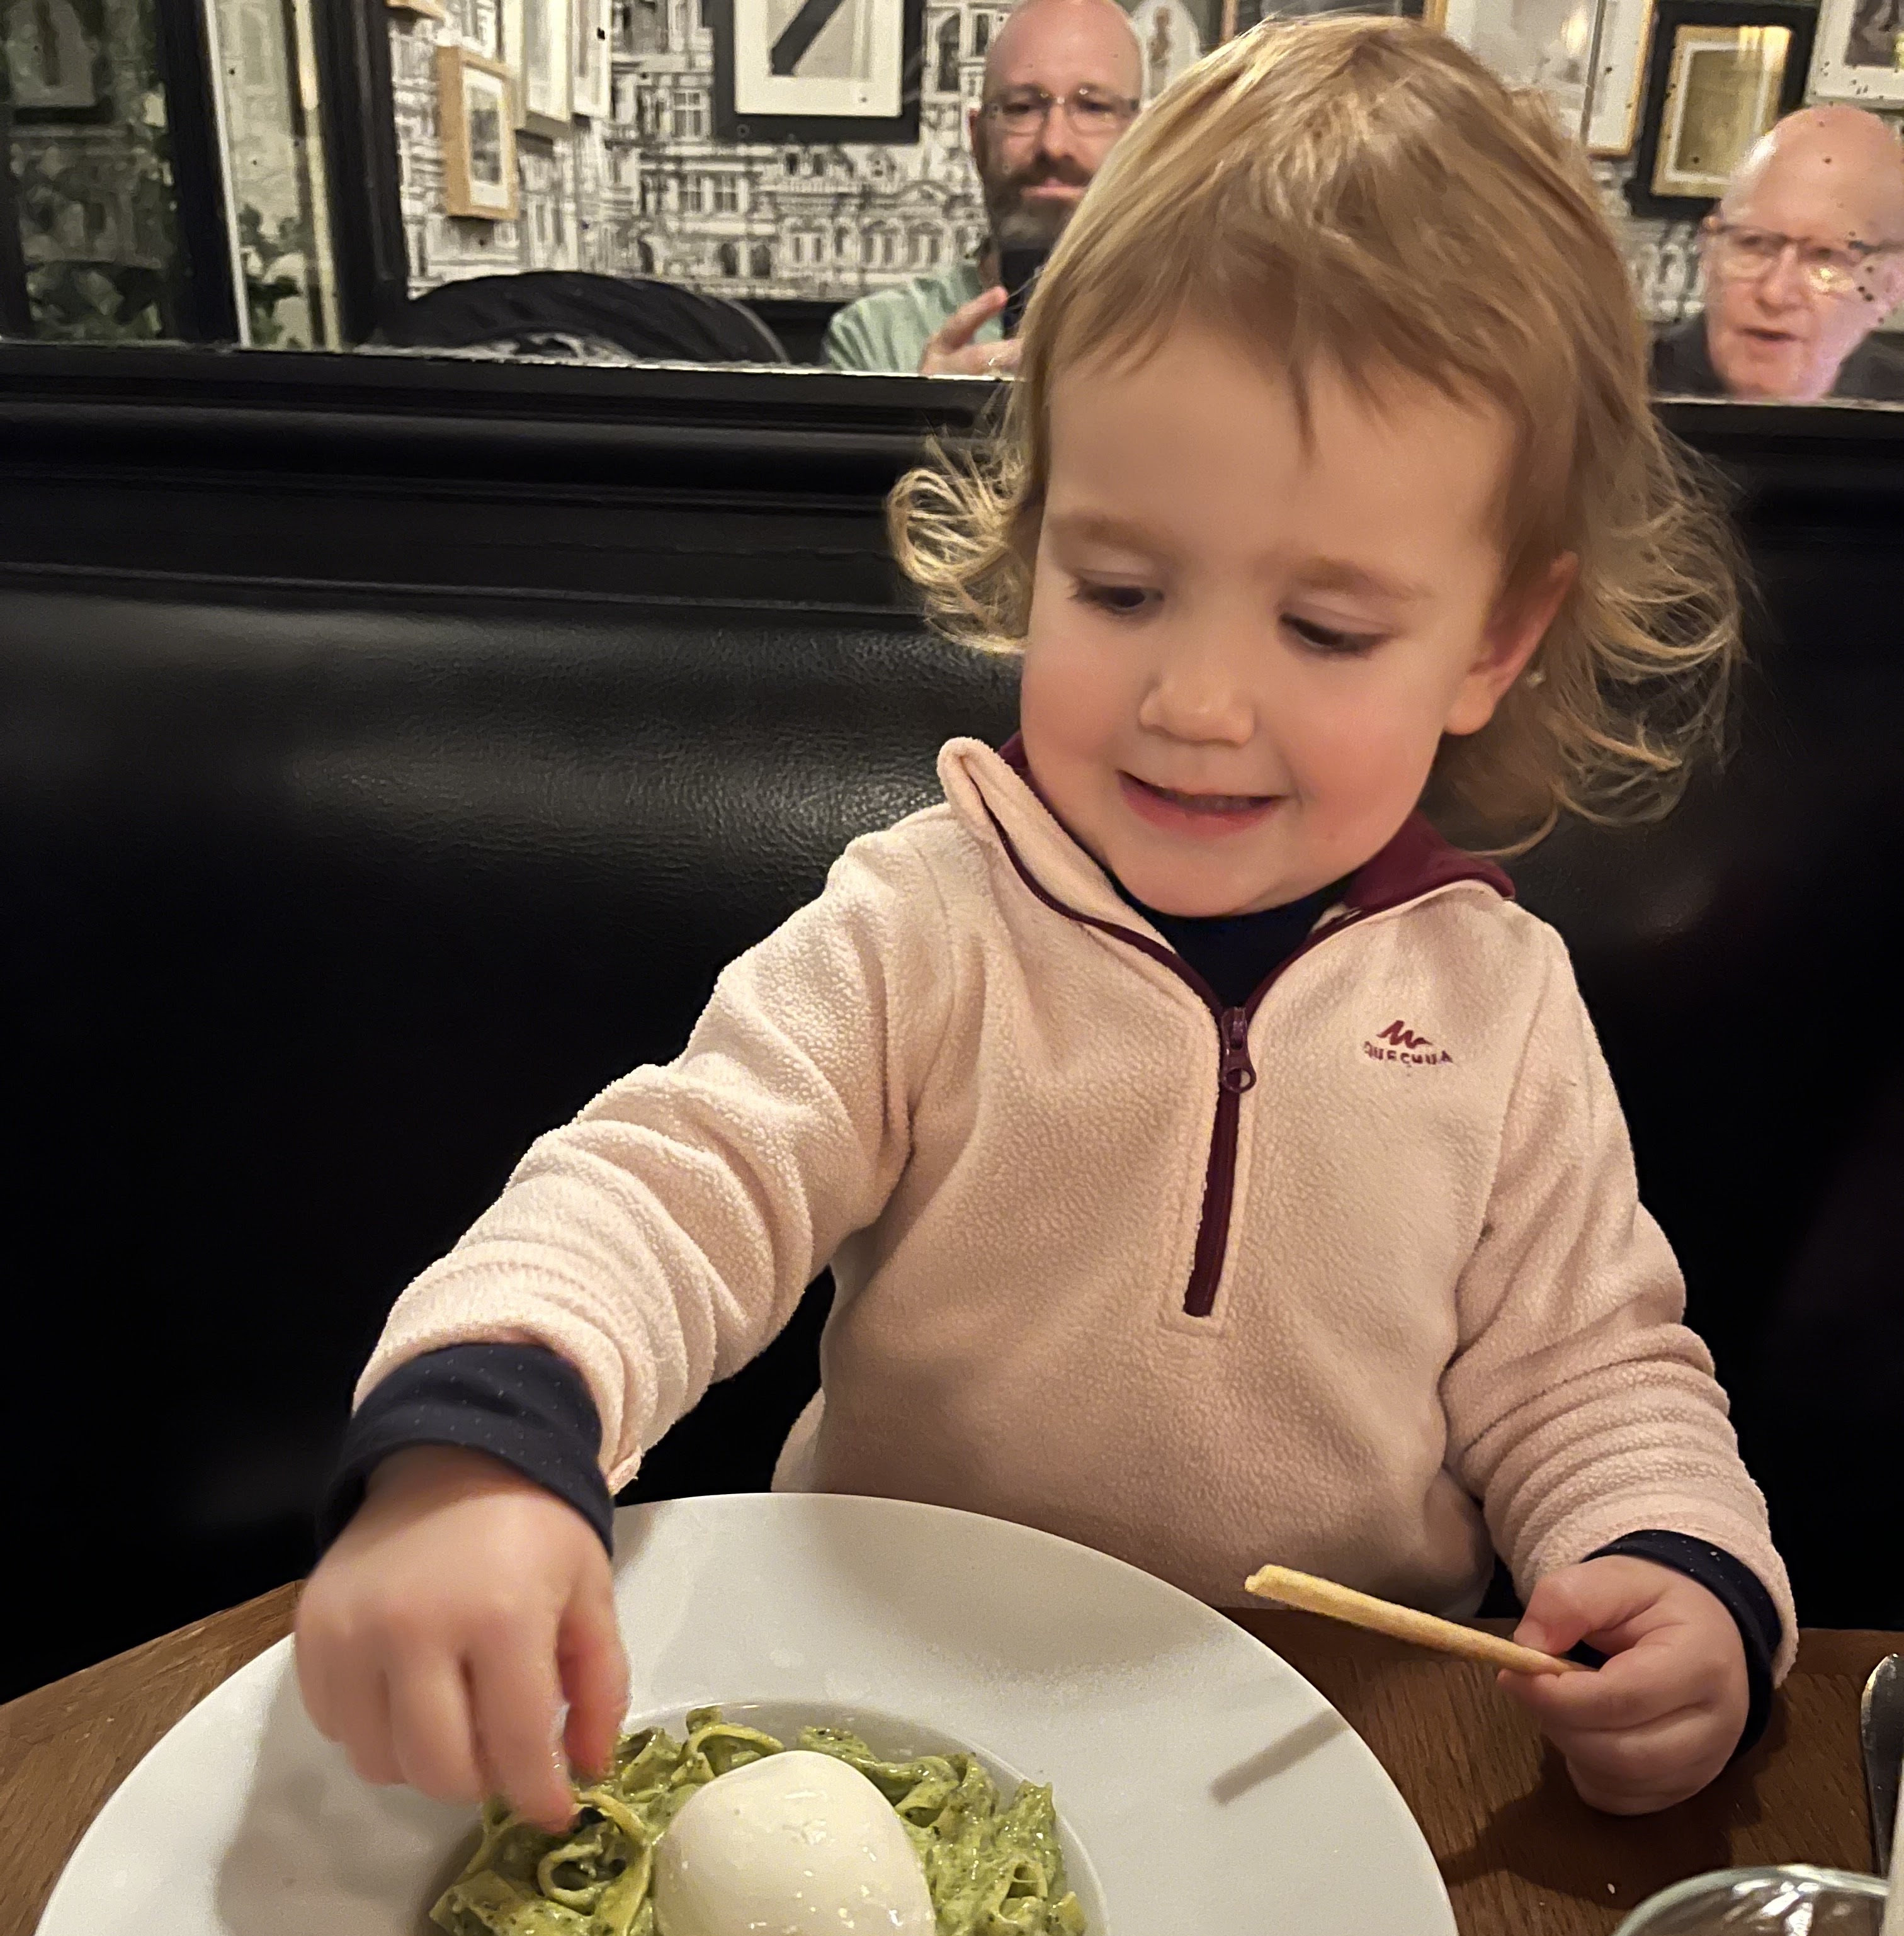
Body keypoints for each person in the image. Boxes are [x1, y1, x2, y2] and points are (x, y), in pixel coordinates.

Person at [298, 17, 1794, 1833]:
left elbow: (1587, 1364)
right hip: (886, 1709)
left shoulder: (1500, 999)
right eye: (1123, 586)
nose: (1197, 703)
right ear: (1036, 544)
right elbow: (674, 1186)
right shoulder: (925, 924)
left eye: (1325, 630)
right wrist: (484, 1434)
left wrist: (1674, 1569)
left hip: (1322, 1758)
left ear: (1494, 641)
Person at [822, 0, 1141, 378]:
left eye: (1093, 107)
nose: (1054, 144)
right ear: (977, 139)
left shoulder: (1192, 331)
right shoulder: (877, 341)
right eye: (1022, 108)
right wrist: (927, 406)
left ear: (1145, 138)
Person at [1652, 105, 1904, 403]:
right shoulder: (1616, 393)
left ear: (1891, 286)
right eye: (1753, 244)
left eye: (1825, 256)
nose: (1774, 294)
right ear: (1708, 252)